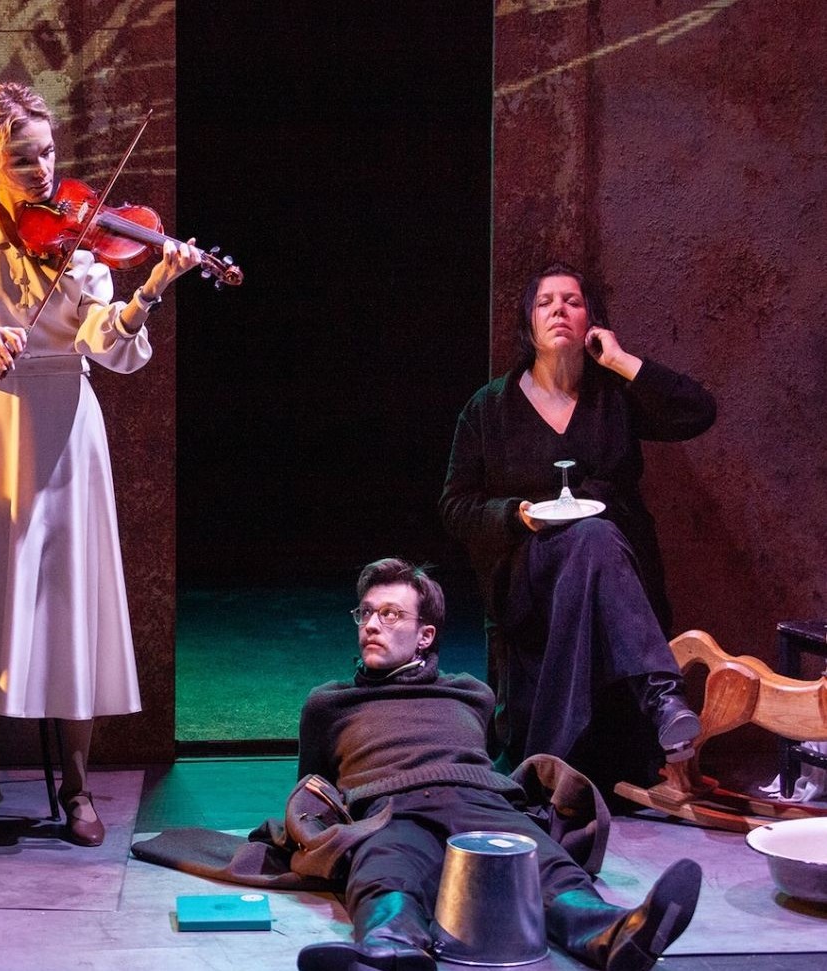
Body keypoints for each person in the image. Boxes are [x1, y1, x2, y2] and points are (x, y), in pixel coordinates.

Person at [0, 81, 201, 847]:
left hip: (67, 428)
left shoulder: (83, 237)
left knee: (69, 602)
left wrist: (149, 290)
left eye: (48, 154)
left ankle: (76, 787)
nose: (43, 171)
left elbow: (107, 342)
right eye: (24, 159)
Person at [294, 558, 700, 971]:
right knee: (384, 866)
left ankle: (613, 934)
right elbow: (312, 786)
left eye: (390, 614)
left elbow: (481, 757)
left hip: (478, 799)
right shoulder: (330, 704)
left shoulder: (470, 693)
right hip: (389, 808)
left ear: (425, 635)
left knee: (536, 858)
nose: (371, 625)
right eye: (365, 613)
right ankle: (390, 948)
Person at [439, 262, 716, 789]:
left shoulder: (613, 395)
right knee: (594, 533)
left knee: (596, 536)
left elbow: (698, 412)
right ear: (528, 321)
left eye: (572, 301)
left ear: (592, 319)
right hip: (529, 577)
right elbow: (455, 507)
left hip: (611, 576)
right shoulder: (490, 408)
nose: (559, 311)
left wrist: (621, 361)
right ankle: (663, 696)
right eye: (545, 302)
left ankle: (558, 765)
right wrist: (517, 514)